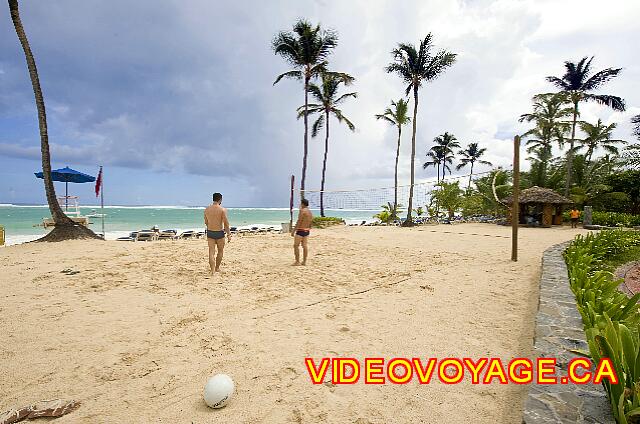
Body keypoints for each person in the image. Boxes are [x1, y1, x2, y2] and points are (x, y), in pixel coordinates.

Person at [204, 193, 231, 273]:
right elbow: (226, 223)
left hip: (210, 232)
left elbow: (206, 222)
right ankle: (217, 268)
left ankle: (212, 270)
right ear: (220, 199)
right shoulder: (222, 210)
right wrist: (229, 234)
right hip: (219, 233)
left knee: (211, 252)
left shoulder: (206, 209)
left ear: (213, 199)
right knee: (220, 251)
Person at [292, 199, 313, 266]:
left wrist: (293, 230)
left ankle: (297, 261)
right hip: (307, 230)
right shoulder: (309, 212)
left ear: (303, 204)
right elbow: (310, 221)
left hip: (300, 230)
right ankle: (304, 261)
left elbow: (299, 221)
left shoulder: (302, 211)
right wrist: (309, 228)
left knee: (296, 245)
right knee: (304, 246)